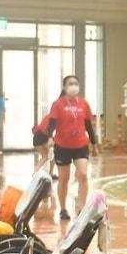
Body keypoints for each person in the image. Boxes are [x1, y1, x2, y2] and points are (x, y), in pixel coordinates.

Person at [46, 75, 100, 221]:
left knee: (83, 174)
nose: (73, 86)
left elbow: (88, 125)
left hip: (81, 144)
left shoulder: (83, 104)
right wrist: (50, 137)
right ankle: (63, 208)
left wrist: (94, 144)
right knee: (64, 178)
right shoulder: (58, 104)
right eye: (70, 84)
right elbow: (51, 123)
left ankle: (81, 206)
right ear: (64, 87)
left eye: (76, 83)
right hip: (62, 145)